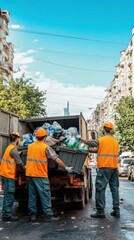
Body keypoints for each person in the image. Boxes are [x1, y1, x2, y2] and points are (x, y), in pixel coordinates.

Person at [26, 128, 74, 222]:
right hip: (40, 174)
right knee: (45, 195)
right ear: (45, 137)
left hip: (30, 174)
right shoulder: (45, 147)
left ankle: (32, 215)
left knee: (32, 195)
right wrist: (66, 168)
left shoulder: (30, 146)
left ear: (36, 137)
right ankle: (48, 216)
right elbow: (56, 159)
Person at [78, 122, 120, 218]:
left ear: (104, 129)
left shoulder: (102, 140)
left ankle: (100, 212)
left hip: (104, 168)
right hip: (114, 169)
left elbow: (90, 142)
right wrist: (87, 149)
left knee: (100, 189)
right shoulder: (115, 141)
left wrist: (80, 138)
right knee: (115, 190)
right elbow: (98, 150)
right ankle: (116, 210)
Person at [0, 132, 24, 221]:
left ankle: (6, 213)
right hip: (8, 174)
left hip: (6, 174)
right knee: (9, 195)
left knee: (7, 194)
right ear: (17, 139)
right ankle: (7, 215)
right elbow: (20, 163)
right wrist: (26, 168)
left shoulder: (9, 148)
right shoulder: (13, 150)